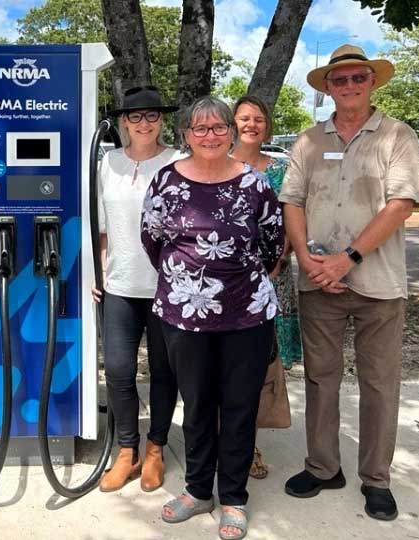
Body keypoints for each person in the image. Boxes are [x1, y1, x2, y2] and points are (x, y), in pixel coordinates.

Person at [278, 44, 419, 522]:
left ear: (372, 81)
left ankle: (376, 479)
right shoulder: (306, 141)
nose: (348, 86)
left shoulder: (397, 136)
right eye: (338, 80)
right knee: (321, 380)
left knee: (379, 384)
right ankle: (323, 466)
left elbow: (401, 203)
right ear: (327, 87)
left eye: (356, 78)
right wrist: (306, 259)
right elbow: (293, 201)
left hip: (378, 283)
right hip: (318, 281)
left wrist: (348, 258)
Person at [141, 96, 284, 540]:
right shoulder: (167, 180)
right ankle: (198, 489)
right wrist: (188, 281)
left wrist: (234, 279)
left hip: (247, 314)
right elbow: (152, 238)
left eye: (219, 127)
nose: (210, 136)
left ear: (231, 131)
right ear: (186, 134)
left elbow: (273, 243)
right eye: (200, 129)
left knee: (239, 407)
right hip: (185, 315)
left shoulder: (255, 184)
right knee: (197, 404)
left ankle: (234, 498)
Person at [94, 85, 180, 493]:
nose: (143, 123)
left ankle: (155, 448)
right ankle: (126, 450)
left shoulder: (179, 162)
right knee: (118, 370)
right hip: (120, 285)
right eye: (134, 117)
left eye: (151, 115)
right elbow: (102, 226)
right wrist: (98, 271)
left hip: (168, 288)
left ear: (162, 120)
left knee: (164, 373)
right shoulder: (107, 163)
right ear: (123, 123)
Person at [229, 95, 301, 480]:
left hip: (271, 280)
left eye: (258, 119)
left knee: (258, 369)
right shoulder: (220, 165)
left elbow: (291, 223)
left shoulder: (282, 170)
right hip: (228, 283)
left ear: (267, 125)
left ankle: (250, 444)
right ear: (232, 123)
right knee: (227, 366)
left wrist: (273, 267)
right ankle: (225, 441)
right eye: (243, 118)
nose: (251, 124)